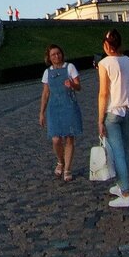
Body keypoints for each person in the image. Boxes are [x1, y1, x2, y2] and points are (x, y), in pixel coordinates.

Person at [97, 28, 129, 209]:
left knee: (117, 152)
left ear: (106, 45)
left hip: (113, 112)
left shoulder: (105, 63)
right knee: (125, 151)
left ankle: (126, 193)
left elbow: (103, 94)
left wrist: (100, 119)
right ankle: (121, 185)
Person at [39, 43, 83, 181]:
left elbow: (79, 86)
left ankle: (67, 168)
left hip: (69, 105)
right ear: (49, 57)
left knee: (69, 138)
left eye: (58, 53)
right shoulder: (47, 72)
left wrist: (72, 84)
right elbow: (46, 93)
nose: (56, 56)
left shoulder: (70, 67)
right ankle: (60, 161)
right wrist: (42, 112)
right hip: (54, 107)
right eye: (53, 54)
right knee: (56, 139)